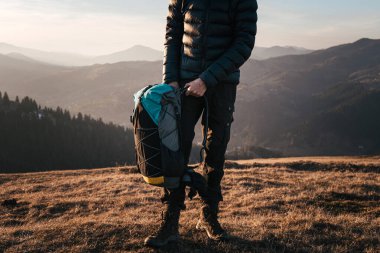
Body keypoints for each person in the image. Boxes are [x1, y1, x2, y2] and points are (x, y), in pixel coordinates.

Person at [145, 0, 258, 247]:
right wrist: (171, 79)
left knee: (215, 149)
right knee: (174, 150)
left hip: (222, 84)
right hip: (183, 84)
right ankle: (170, 222)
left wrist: (206, 80)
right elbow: (172, 35)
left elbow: (244, 43)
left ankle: (209, 215)